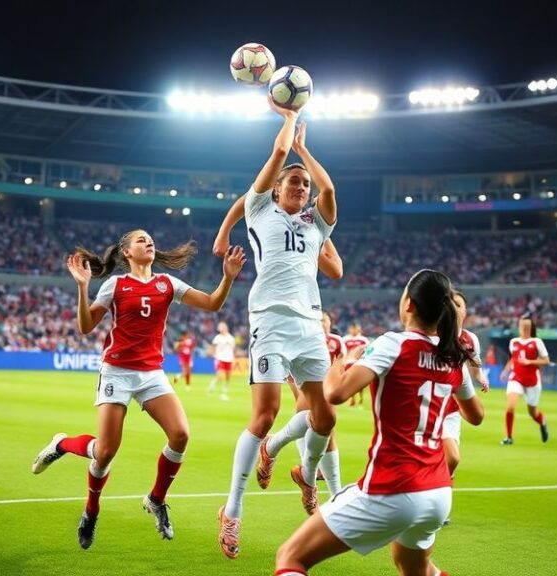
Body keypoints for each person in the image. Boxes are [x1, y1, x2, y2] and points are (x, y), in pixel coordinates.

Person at [31, 229, 245, 549]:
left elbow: (213, 304)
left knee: (181, 434)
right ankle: (84, 493)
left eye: (150, 239)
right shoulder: (115, 285)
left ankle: (156, 500)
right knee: (105, 452)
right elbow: (86, 326)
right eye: (141, 240)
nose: (149, 243)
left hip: (151, 373)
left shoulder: (167, 284)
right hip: (116, 370)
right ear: (126, 252)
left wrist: (227, 278)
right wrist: (82, 288)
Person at [273, 269, 484, 576]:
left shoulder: (394, 344)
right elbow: (476, 416)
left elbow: (335, 393)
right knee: (415, 568)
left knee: (290, 557)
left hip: (392, 487)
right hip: (438, 493)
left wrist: (340, 362)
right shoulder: (453, 356)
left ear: (408, 304)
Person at [212, 99, 338, 560]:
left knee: (325, 418)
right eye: (294, 183)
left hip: (309, 324)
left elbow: (329, 192)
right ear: (277, 189)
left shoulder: (315, 225)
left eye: (303, 185)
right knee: (265, 414)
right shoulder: (261, 212)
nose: (302, 188)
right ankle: (233, 510)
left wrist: (307, 155)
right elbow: (274, 162)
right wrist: (287, 126)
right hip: (270, 320)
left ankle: (306, 475)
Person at [258, 310, 346, 498]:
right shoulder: (302, 340)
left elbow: (341, 367)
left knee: (329, 429)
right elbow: (292, 376)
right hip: (308, 388)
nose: (322, 322)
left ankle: (311, 479)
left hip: (328, 389)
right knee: (322, 424)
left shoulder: (336, 342)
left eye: (326, 319)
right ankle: (321, 487)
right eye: (319, 319)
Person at [441, 291, 488, 524]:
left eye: (458, 304)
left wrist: (481, 378)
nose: (454, 307)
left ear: (464, 311)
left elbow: (474, 364)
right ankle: (434, 502)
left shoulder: (470, 339)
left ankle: (441, 503)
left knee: (451, 461)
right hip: (432, 406)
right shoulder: (435, 334)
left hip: (453, 409)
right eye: (450, 303)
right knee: (450, 456)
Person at [500, 313, 550, 445]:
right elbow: (513, 358)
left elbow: (546, 360)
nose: (523, 327)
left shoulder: (536, 342)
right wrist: (506, 370)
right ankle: (509, 437)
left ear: (530, 327)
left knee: (532, 413)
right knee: (510, 406)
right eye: (522, 325)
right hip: (516, 378)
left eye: (526, 326)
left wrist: (530, 362)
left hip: (532, 381)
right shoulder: (513, 342)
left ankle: (542, 422)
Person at [208, 321, 236, 401]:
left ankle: (224, 392)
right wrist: (212, 354)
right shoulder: (218, 337)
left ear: (225, 328)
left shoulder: (231, 338)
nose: (221, 329)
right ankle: (212, 385)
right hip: (220, 358)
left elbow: (233, 348)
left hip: (229, 359)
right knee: (220, 374)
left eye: (222, 328)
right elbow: (213, 346)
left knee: (228, 376)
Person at [342, 323, 368, 407]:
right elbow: (342, 352)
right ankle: (351, 398)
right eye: (352, 328)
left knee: (360, 382)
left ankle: (360, 396)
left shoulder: (364, 340)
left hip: (359, 363)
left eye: (356, 328)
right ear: (350, 329)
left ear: (359, 329)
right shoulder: (345, 339)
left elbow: (367, 351)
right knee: (349, 381)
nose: (354, 330)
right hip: (348, 363)